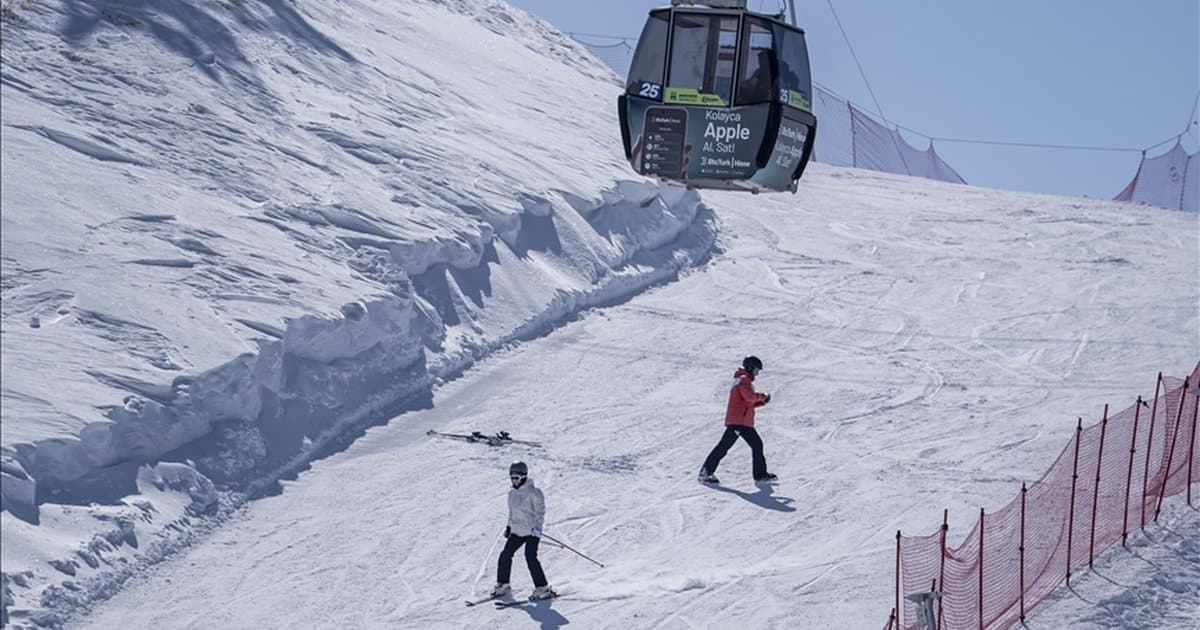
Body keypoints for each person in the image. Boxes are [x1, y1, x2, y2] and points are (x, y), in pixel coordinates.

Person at [698, 356, 777, 484]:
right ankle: (705, 473)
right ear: (751, 368)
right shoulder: (743, 380)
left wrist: (762, 403)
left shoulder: (744, 381)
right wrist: (763, 396)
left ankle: (760, 475)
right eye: (757, 369)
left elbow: (747, 402)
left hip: (744, 422)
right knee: (723, 447)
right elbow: (750, 397)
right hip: (738, 422)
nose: (758, 373)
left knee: (757, 444)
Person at [491, 461, 555, 600]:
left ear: (524, 477)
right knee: (505, 555)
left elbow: (540, 512)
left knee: (530, 557)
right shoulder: (511, 494)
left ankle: (542, 587)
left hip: (532, 531)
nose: (514, 481)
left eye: (517, 478)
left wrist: (538, 528)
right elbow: (511, 513)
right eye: (512, 478)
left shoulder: (534, 492)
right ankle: (503, 584)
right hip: (517, 531)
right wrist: (509, 526)